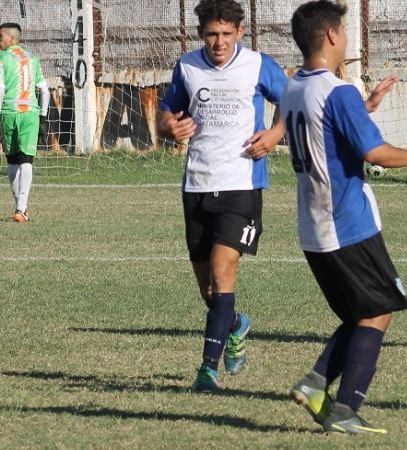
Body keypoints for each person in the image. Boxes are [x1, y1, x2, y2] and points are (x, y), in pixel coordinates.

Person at [282, 1, 407, 435]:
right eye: (343, 30)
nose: (345, 38)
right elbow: (373, 152)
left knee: (360, 313)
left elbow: (326, 128)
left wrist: (367, 105)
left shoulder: (293, 89)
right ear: (330, 36)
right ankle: (344, 409)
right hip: (347, 223)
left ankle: (316, 382)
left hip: (312, 226)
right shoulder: (337, 91)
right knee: (379, 310)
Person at [157, 0, 288, 393]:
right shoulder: (187, 66)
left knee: (221, 272)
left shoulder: (259, 65)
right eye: (212, 34)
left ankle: (207, 371)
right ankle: (235, 324)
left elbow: (292, 101)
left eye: (226, 34)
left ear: (240, 33)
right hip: (197, 186)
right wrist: (169, 128)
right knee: (209, 292)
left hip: (242, 185)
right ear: (201, 34)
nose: (219, 42)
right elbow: (167, 112)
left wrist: (275, 135)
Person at [0, 22, 50, 223]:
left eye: (0, 36)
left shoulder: (1, 58)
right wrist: (43, 117)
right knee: (26, 159)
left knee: (13, 159)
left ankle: (21, 208)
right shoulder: (33, 58)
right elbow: (45, 90)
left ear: (12, 39)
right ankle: (21, 208)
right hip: (30, 113)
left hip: (9, 112)